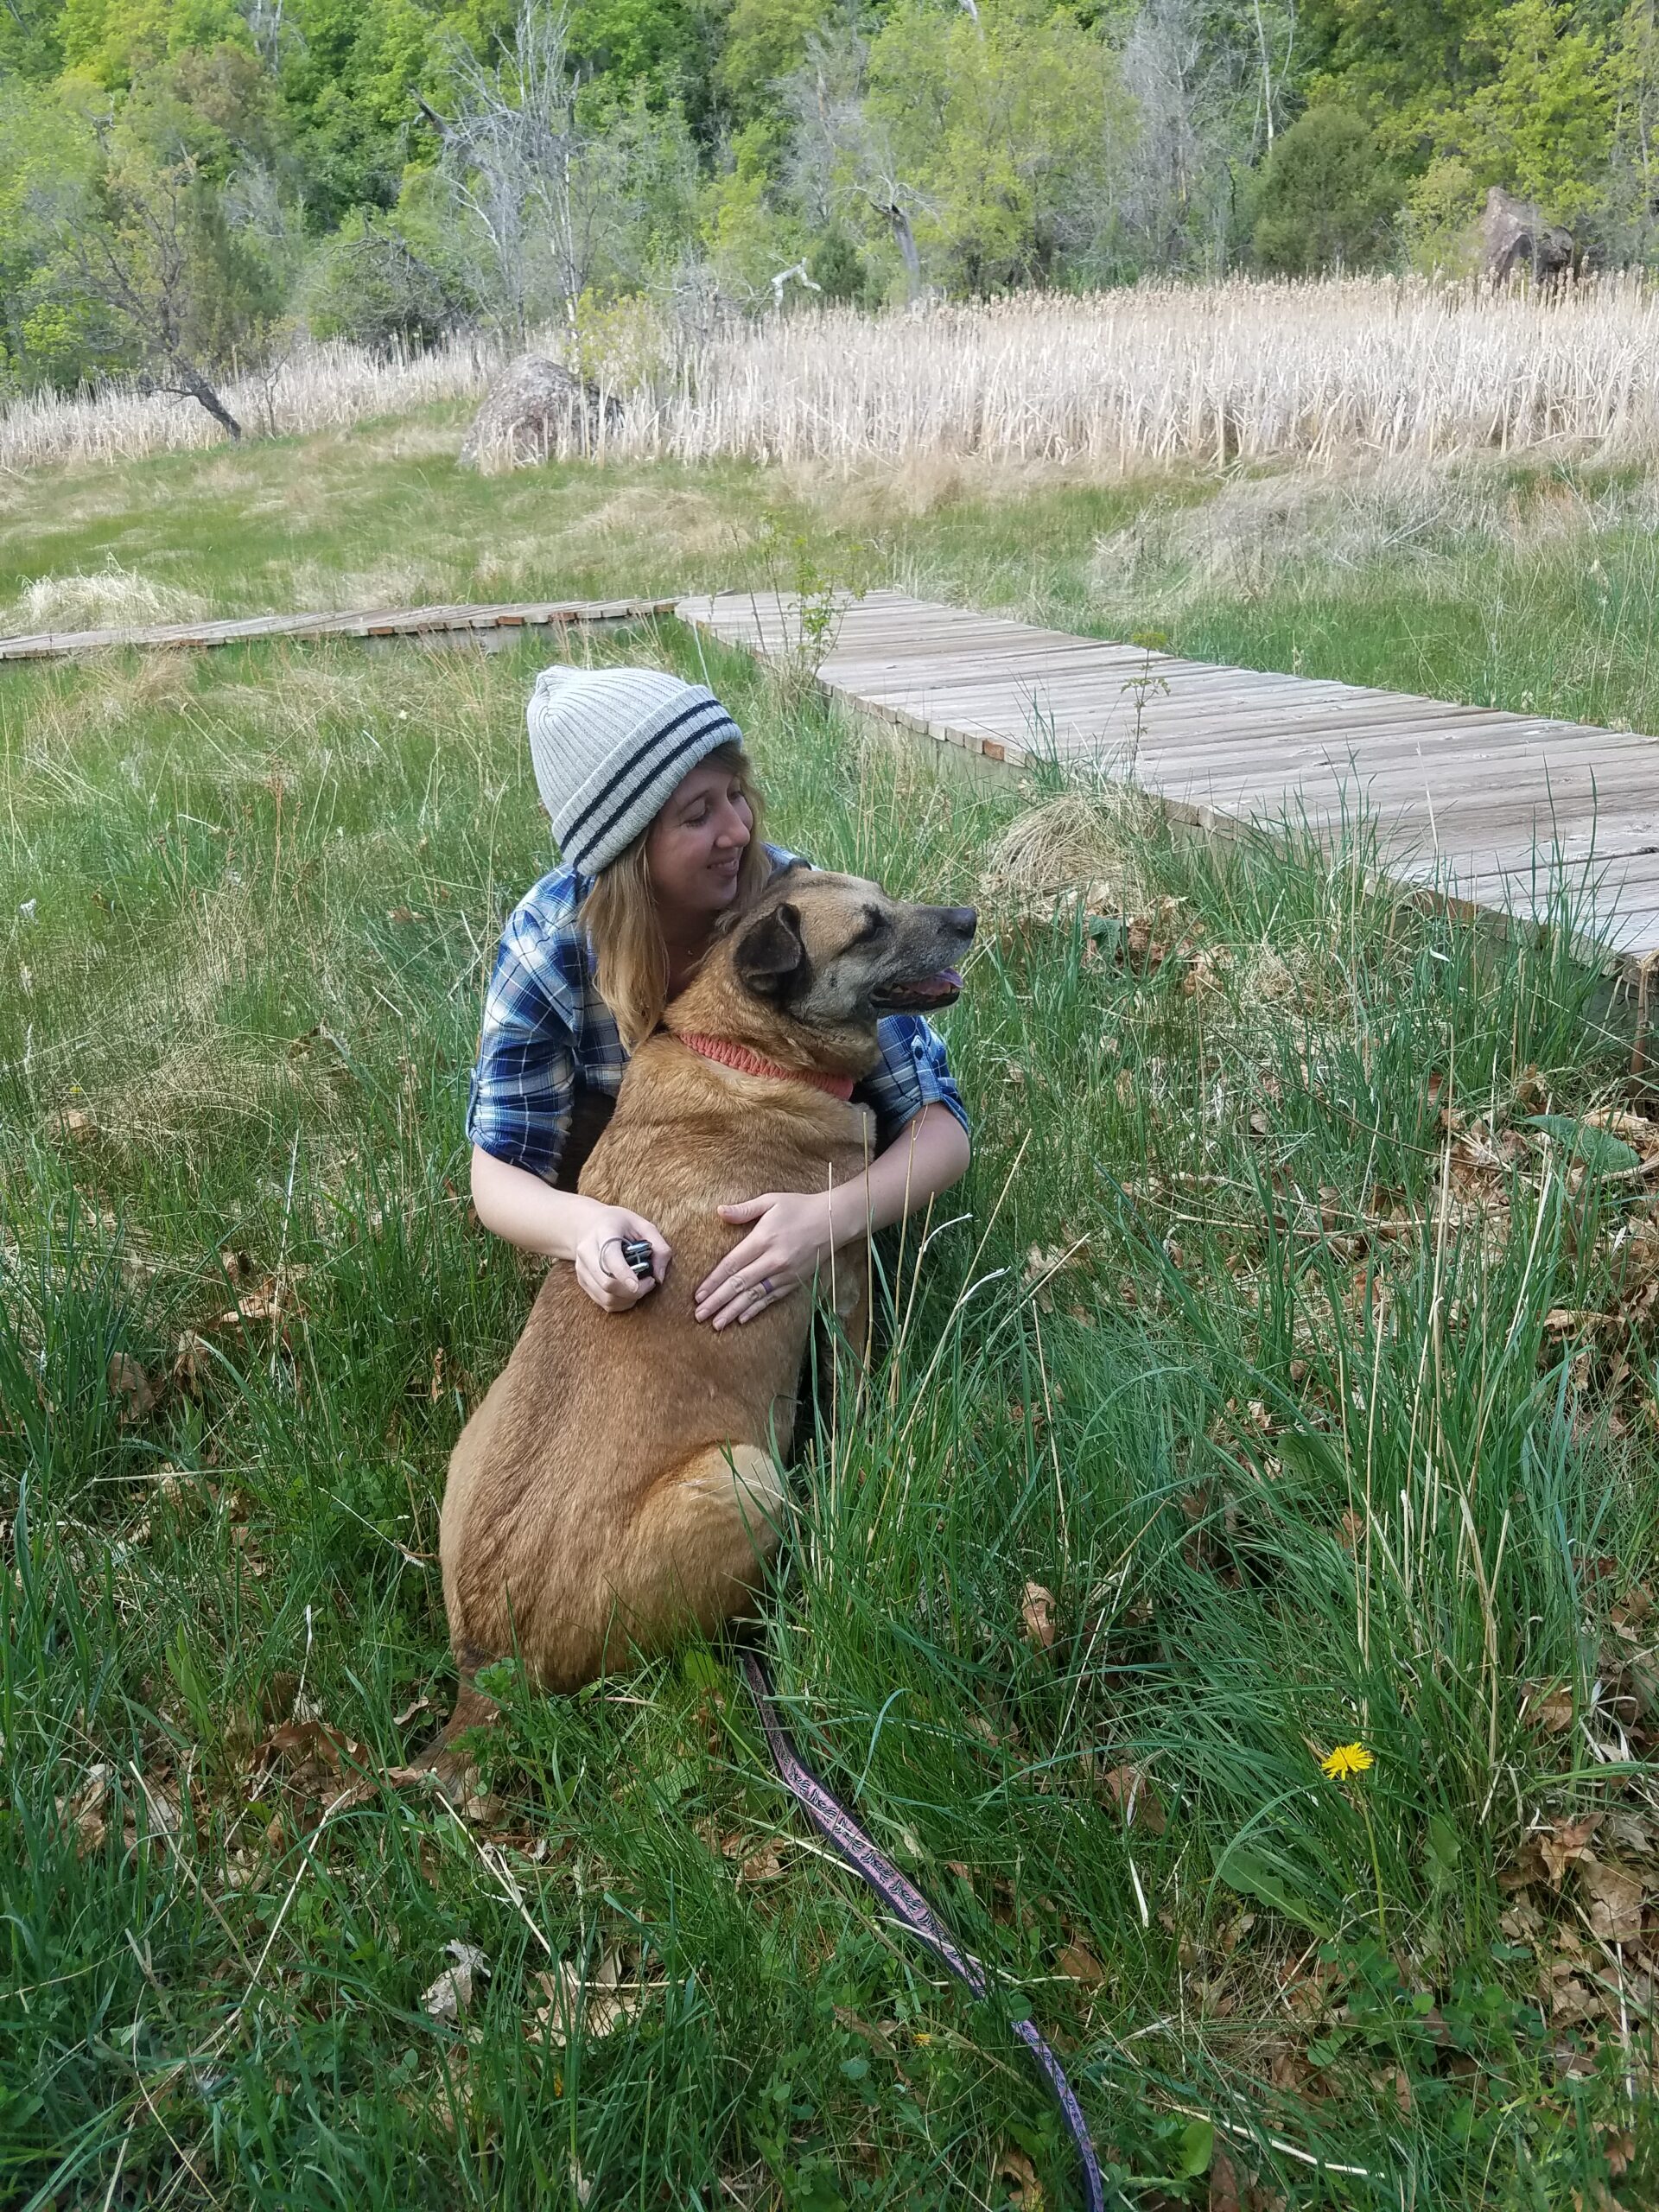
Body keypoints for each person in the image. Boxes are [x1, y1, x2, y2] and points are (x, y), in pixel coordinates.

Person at [466, 663, 972, 1332]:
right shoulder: (550, 944)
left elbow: (942, 1127)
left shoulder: (798, 906)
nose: (737, 830)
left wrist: (829, 1219)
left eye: (736, 793)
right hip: (648, 1207)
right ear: (628, 852)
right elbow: (497, 1174)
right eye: (698, 814)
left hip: (806, 1163)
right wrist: (581, 1228)